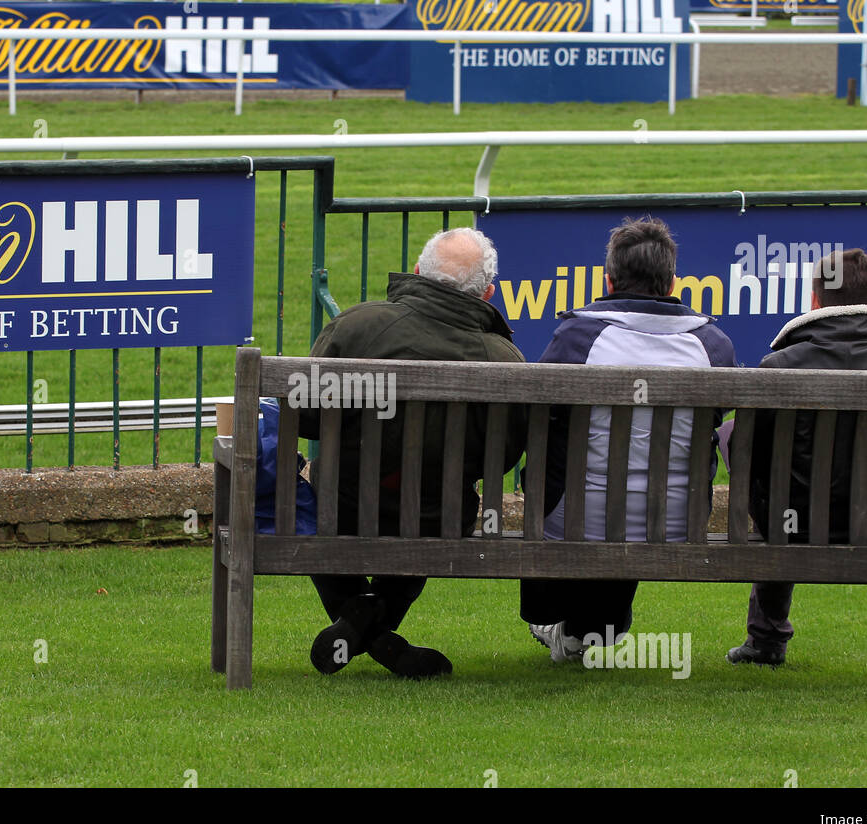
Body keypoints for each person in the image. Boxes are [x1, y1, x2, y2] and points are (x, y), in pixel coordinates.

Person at [299, 227, 527, 679]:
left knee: (309, 499)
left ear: (419, 272)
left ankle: (362, 623)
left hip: (340, 505)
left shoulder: (356, 327)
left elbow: (304, 417)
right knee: (433, 500)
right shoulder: (503, 357)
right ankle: (378, 633)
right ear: (488, 292)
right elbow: (499, 460)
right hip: (437, 515)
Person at [522, 217, 738, 661]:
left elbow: (540, 415)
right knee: (629, 492)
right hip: (678, 520)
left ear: (609, 280)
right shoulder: (713, 346)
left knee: (569, 477)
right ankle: (592, 632)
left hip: (578, 518)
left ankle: (573, 627)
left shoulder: (578, 337)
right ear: (673, 281)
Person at [728, 247, 867, 666]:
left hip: (785, 523)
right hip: (866, 523)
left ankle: (765, 640)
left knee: (775, 490)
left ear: (815, 302)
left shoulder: (779, 367)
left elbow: (747, 455)